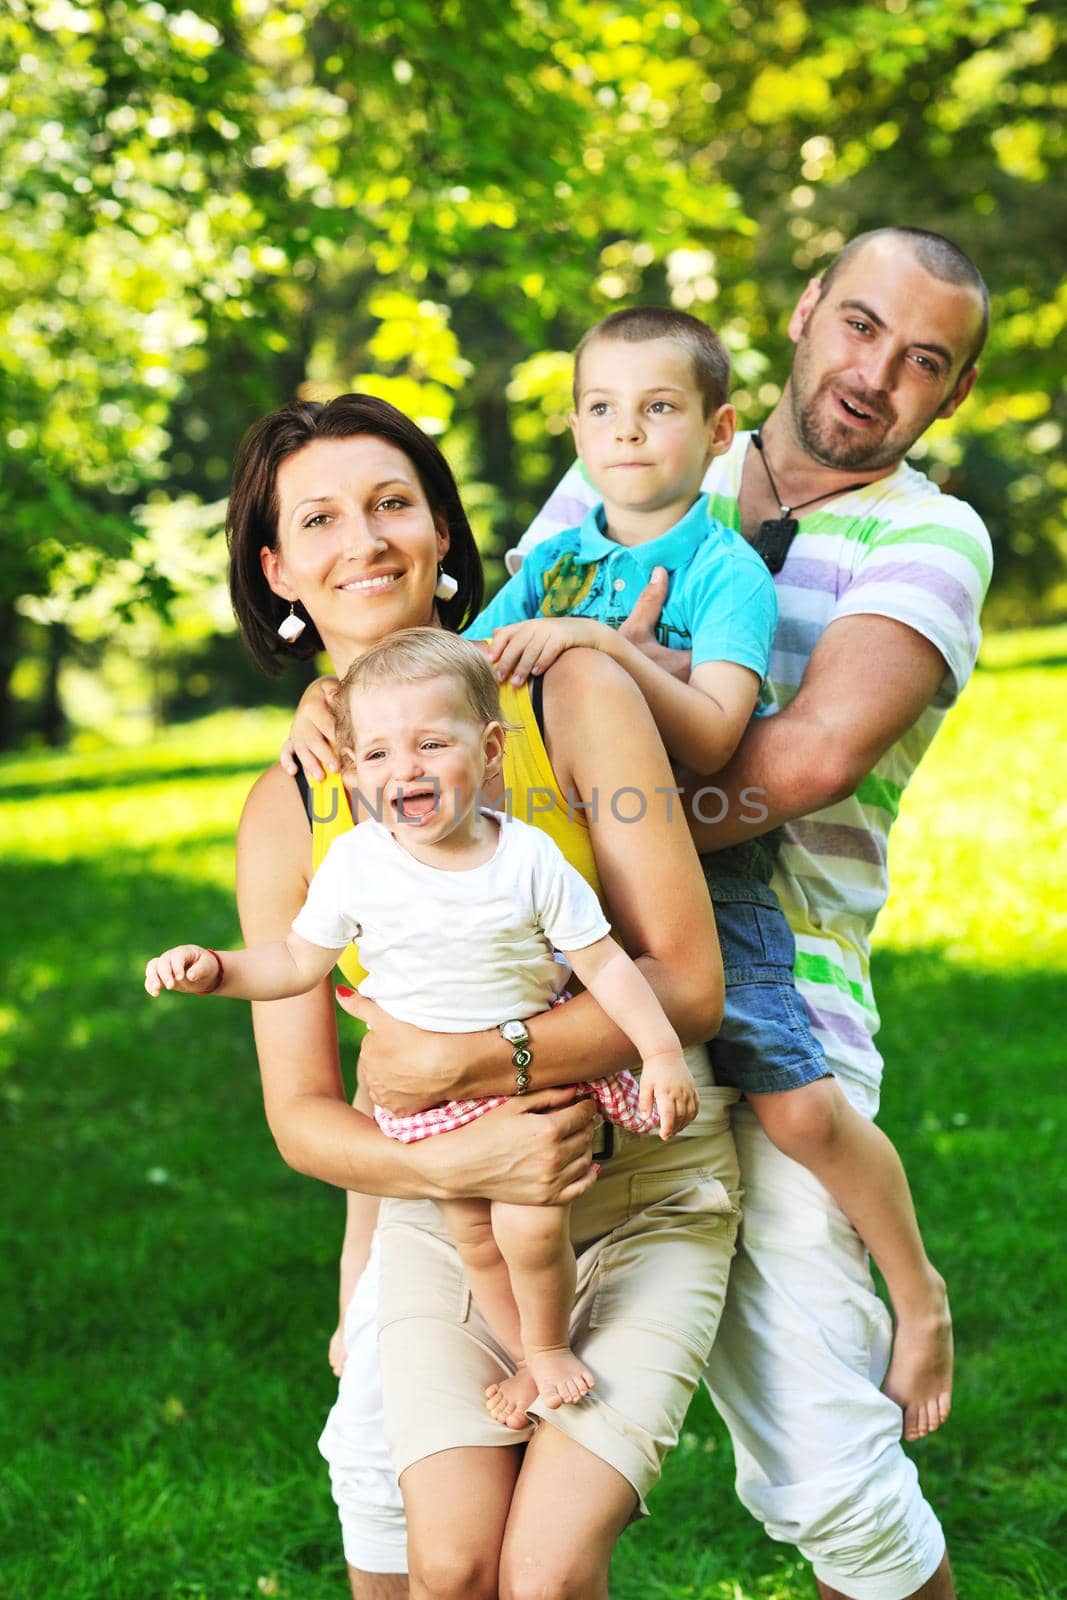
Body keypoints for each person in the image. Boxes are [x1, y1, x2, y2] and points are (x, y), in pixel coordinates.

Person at [292, 227, 990, 1600]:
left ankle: (917, 1304)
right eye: (856, 326)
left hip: (763, 978)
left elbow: (798, 764)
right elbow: (485, 677)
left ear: (950, 394)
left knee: (826, 1476)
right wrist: (350, 696)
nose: (871, 374)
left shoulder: (924, 534)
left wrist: (608, 734)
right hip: (543, 962)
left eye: (919, 362)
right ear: (804, 313)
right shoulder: (638, 446)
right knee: (396, 1462)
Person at [223, 391, 741, 1600]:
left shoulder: (566, 694)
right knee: (447, 1568)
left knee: (544, 1577)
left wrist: (466, 1067)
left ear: (444, 533)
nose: (364, 540)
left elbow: (687, 983)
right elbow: (302, 1115)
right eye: (321, 519)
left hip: (643, 1187)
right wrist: (466, 1162)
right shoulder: (284, 810)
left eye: (392, 503)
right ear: (279, 568)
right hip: (440, 1216)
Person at [470, 303, 952, 1442]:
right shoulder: (555, 558)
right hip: (567, 880)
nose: (625, 432)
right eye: (600, 409)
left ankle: (915, 1288)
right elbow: (466, 670)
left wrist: (592, 647)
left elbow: (714, 732)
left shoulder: (723, 568)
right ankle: (513, 1345)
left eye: (657, 410)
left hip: (712, 884)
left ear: (719, 429)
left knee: (791, 1103)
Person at [147, 628, 701, 1422]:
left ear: (489, 753)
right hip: (424, 1103)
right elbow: (298, 962)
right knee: (474, 1237)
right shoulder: (357, 864)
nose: (402, 768)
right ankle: (523, 1362)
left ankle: (546, 1350)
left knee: (527, 1226)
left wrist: (657, 1053)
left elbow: (606, 965)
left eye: (430, 744)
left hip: (529, 1073)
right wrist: (219, 969)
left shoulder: (528, 858)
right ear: (354, 771)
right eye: (375, 755)